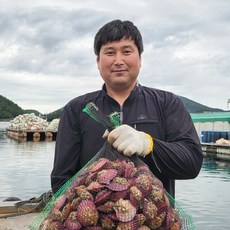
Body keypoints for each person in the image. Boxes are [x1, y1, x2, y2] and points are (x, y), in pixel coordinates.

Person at [51, 19, 203, 198]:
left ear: (140, 58)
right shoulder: (77, 109)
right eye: (109, 52)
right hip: (95, 221)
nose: (118, 60)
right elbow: (61, 179)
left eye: (126, 51)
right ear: (98, 61)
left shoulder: (167, 103)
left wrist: (148, 144)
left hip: (153, 220)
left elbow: (191, 164)